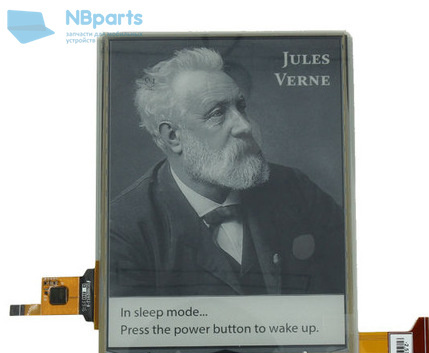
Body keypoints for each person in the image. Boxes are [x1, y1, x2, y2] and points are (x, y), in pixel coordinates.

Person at [110, 47, 345, 297]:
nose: (244, 126)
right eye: (217, 114)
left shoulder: (296, 190)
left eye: (241, 107)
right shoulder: (125, 229)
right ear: (173, 137)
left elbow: (345, 293)